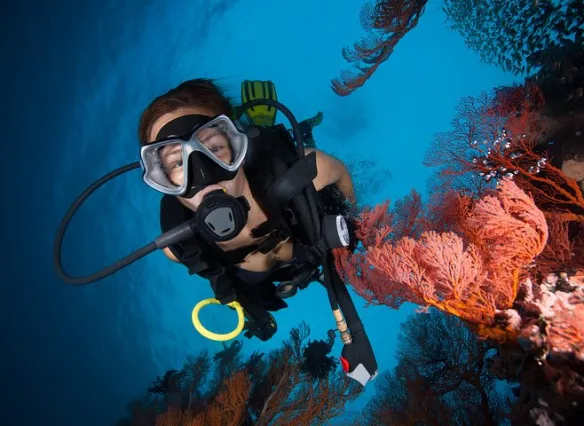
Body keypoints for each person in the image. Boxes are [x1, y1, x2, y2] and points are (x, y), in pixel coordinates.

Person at [137, 78, 356, 341]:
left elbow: (340, 174)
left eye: (215, 147)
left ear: (237, 145)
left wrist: (353, 219)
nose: (205, 175)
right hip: (282, 274)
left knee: (303, 149)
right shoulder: (179, 247)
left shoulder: (305, 172)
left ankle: (297, 129)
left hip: (285, 185)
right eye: (177, 163)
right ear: (163, 180)